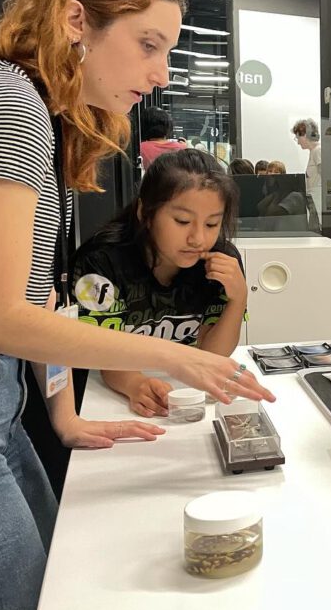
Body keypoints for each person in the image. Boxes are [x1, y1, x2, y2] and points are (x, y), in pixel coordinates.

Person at [0, 0, 272, 610]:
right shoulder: (6, 101)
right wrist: (173, 357)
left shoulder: (40, 116)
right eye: (147, 45)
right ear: (76, 21)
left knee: (52, 608)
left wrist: (65, 416)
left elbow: (42, 300)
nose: (160, 74)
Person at [71, 150, 247, 417]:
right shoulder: (102, 262)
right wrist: (134, 383)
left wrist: (238, 299)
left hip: (188, 393)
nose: (198, 238)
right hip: (109, 397)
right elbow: (102, 349)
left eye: (212, 224)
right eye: (182, 221)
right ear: (145, 212)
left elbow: (213, 356)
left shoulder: (222, 261)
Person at [292, 118, 322, 232]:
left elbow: (325, 176)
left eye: (298, 137)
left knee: (315, 232)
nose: (298, 142)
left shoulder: (318, 151)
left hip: (318, 200)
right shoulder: (314, 152)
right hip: (313, 200)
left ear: (305, 135)